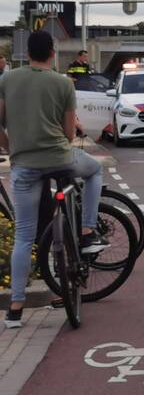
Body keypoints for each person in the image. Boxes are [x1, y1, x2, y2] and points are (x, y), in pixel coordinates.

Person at [0, 31, 108, 329]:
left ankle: (16, 308)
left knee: (23, 235)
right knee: (95, 171)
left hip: (23, 166)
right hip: (60, 159)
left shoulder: (7, 80)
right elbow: (70, 133)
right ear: (51, 51)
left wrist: (12, 149)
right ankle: (86, 230)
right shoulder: (63, 82)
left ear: (27, 53)